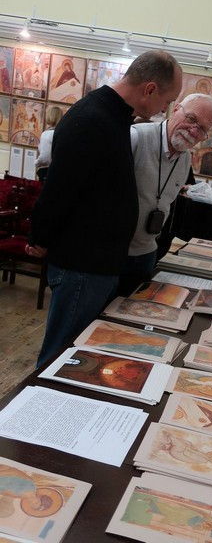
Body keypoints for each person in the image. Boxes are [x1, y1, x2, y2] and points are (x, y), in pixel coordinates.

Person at [26, 50, 183, 368]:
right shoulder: (91, 119)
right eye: (166, 101)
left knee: (78, 359)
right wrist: (39, 237)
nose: (164, 110)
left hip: (99, 264)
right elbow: (59, 189)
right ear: (150, 89)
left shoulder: (114, 116)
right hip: (82, 265)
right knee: (61, 356)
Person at [117, 93, 212, 296]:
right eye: (191, 119)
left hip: (146, 254)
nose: (193, 130)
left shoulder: (185, 159)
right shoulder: (136, 137)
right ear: (176, 109)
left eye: (202, 129)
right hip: (113, 254)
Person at [35, 106, 64, 182]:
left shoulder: (47, 134)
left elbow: (44, 157)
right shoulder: (63, 133)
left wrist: (37, 163)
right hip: (60, 171)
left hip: (47, 172)